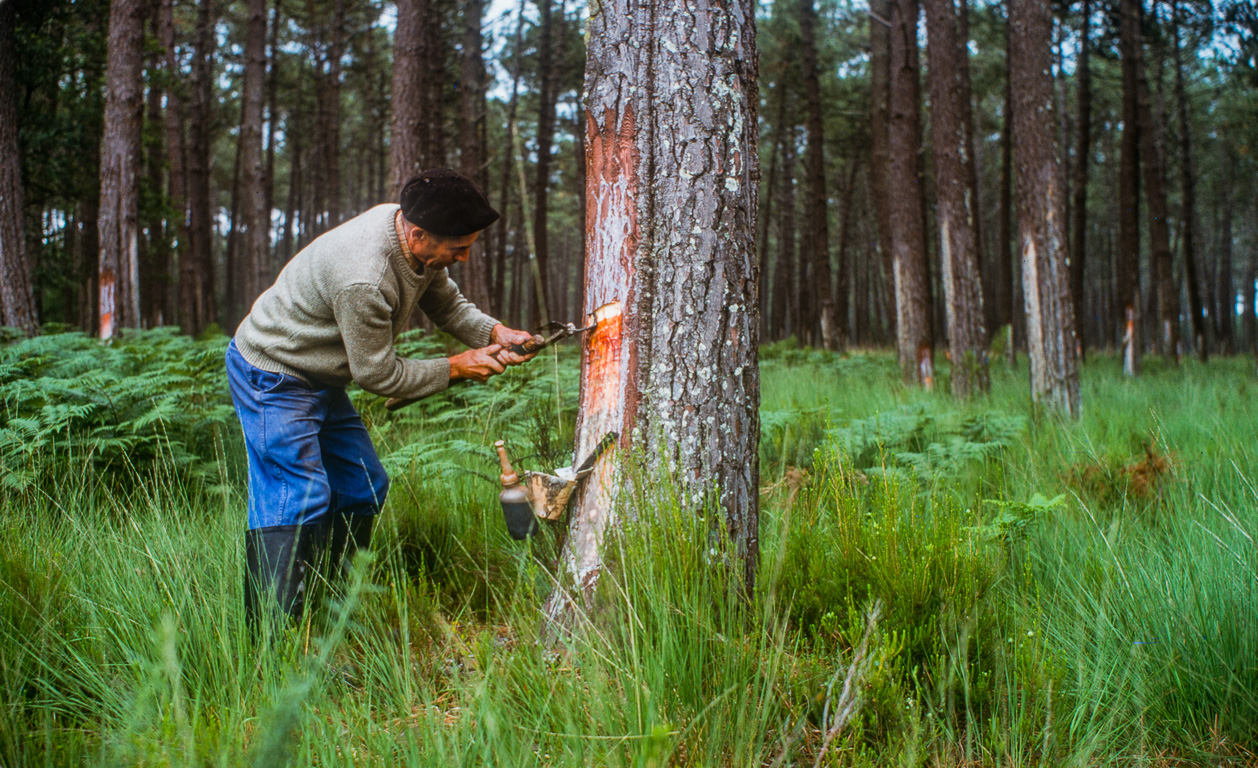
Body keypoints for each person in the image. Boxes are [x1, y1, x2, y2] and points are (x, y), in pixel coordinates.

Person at [226, 168, 535, 629]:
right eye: (458, 248)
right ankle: (277, 639)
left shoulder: (413, 241)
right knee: (298, 495)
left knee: (363, 486)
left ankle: (329, 610)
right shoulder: (364, 277)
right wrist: (457, 367)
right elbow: (377, 373)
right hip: (274, 374)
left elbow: (446, 305)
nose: (465, 257)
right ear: (417, 235)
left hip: (322, 375)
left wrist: (496, 332)